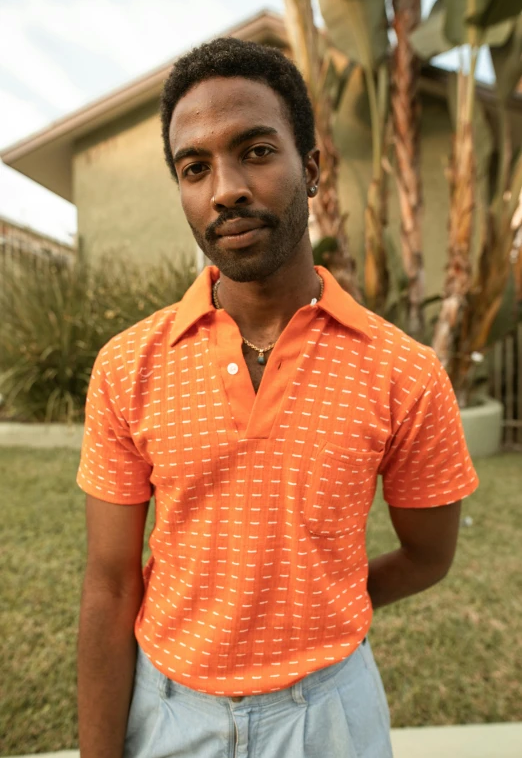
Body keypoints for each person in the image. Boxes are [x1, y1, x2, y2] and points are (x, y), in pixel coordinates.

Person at [77, 37, 479, 758]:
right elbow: (110, 585)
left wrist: (316, 604)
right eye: (194, 167)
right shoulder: (128, 366)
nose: (225, 186)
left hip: (329, 716)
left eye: (256, 151)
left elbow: (428, 554)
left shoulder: (403, 372)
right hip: (168, 713)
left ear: (312, 167)